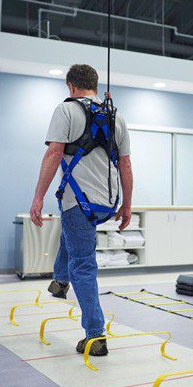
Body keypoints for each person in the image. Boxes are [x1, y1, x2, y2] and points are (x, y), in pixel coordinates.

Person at [30, 64, 133, 357]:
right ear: (95, 86)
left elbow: (54, 153)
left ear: (71, 87)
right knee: (73, 237)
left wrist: (37, 198)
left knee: (83, 266)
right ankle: (60, 282)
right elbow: (125, 165)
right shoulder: (117, 117)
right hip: (107, 203)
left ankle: (95, 335)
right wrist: (127, 204)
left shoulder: (66, 110)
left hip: (78, 201)